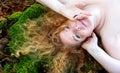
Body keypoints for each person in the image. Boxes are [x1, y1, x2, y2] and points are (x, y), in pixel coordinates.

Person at [36, 0, 120, 73]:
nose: (76, 28)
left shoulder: (71, 2)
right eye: (77, 36)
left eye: (67, 27)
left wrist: (61, 8)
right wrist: (94, 50)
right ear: (88, 37)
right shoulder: (112, 38)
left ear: (63, 19)